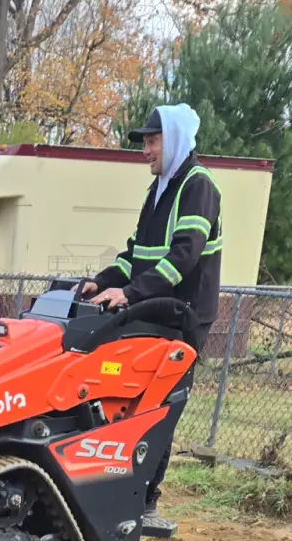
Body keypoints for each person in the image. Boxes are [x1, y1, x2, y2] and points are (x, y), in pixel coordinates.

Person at [82, 103, 222, 518]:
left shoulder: (197, 187)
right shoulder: (159, 189)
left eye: (152, 140)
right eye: (144, 141)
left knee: (160, 408)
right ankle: (117, 487)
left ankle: (146, 504)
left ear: (174, 139)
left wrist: (129, 294)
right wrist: (103, 281)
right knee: (129, 403)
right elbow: (136, 255)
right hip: (153, 310)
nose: (145, 149)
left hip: (182, 317)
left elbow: (183, 257)